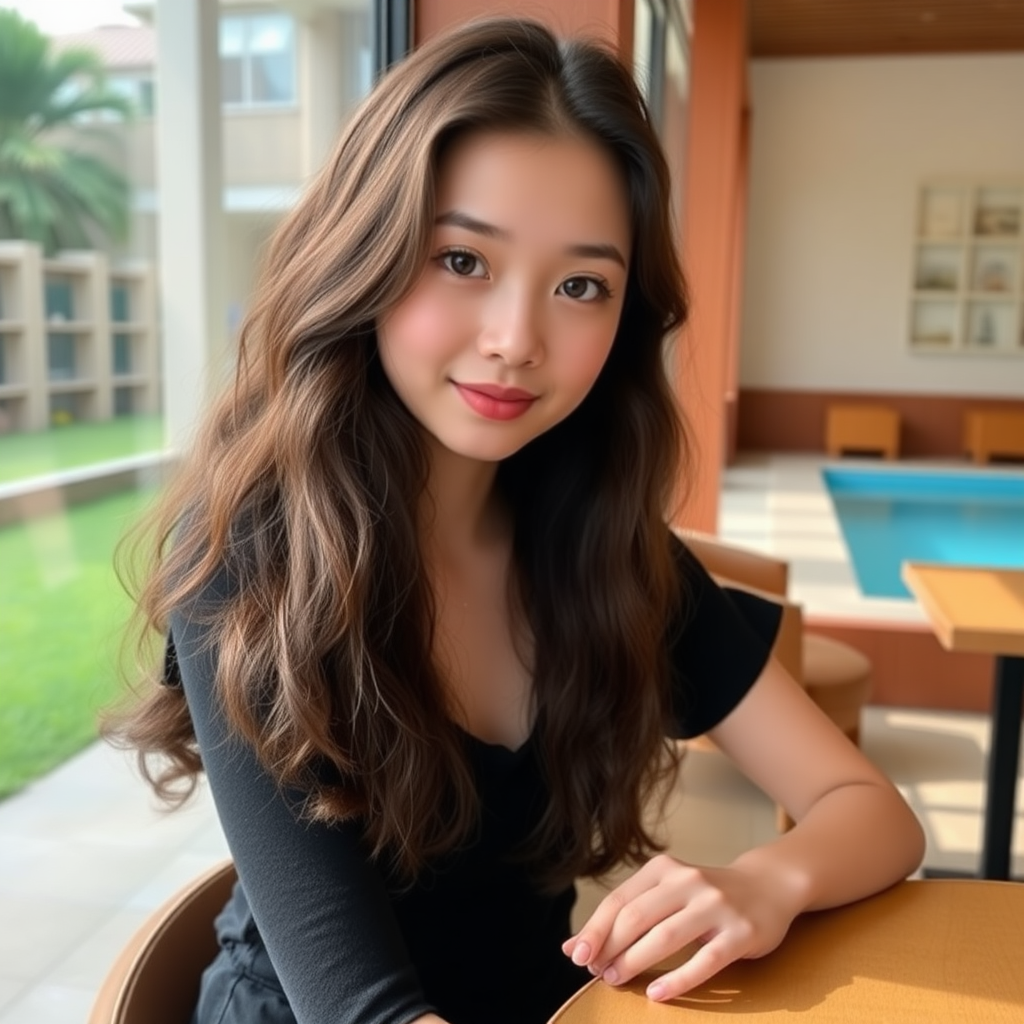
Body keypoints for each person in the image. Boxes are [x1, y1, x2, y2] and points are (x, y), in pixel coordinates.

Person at [109, 16, 924, 1024]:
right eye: (463, 261)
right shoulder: (249, 562)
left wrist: (765, 880)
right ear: (365, 254)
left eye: (581, 285)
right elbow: (361, 1011)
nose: (515, 339)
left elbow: (874, 813)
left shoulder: (605, 554)